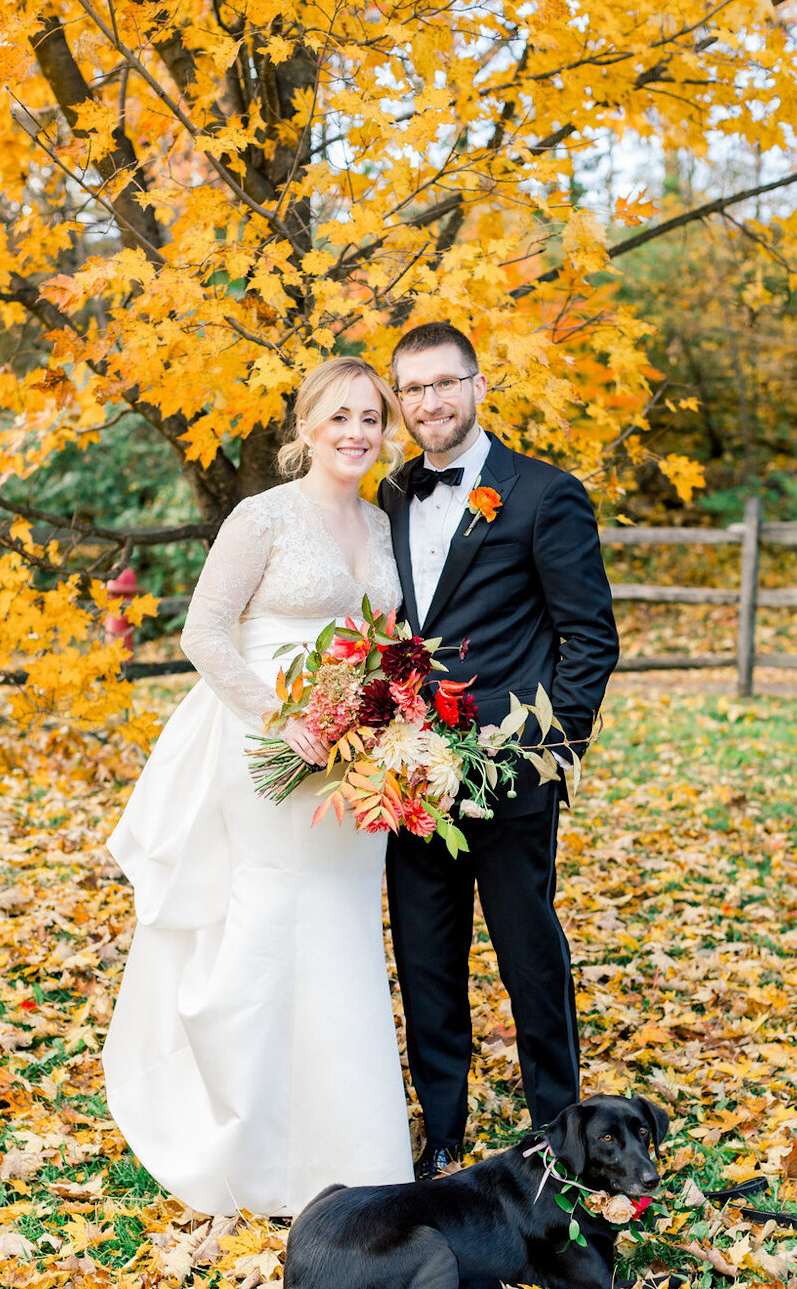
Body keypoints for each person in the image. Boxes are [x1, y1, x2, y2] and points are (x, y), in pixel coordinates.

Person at [102, 357, 414, 1218]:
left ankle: (356, 1155)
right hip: (267, 747)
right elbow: (206, 634)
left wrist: (393, 719)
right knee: (273, 925)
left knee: (347, 930)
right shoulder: (263, 516)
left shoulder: (384, 523)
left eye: (372, 418)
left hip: (360, 758)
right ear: (307, 425)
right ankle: (249, 1148)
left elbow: (387, 639)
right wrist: (286, 723)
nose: (358, 432)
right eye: (341, 415)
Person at [378, 322, 619, 1180]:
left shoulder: (545, 495)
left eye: (446, 384)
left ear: (479, 387)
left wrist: (546, 754)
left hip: (513, 776)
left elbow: (589, 638)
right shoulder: (394, 494)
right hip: (411, 775)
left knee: (529, 956)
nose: (431, 403)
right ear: (399, 400)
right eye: (413, 389)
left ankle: (562, 1133)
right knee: (425, 959)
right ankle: (443, 1137)